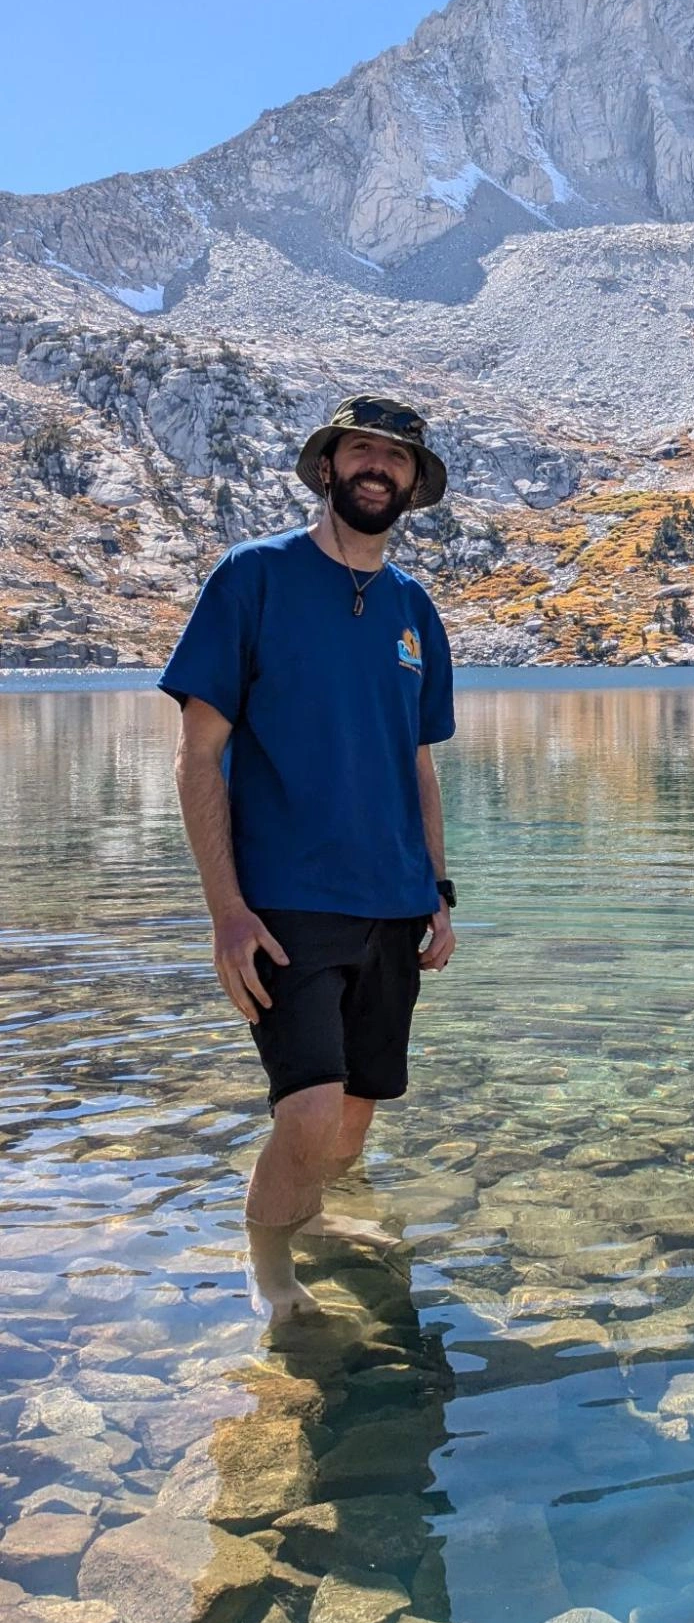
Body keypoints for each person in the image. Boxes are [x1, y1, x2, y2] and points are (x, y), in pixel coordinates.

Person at [159, 394, 459, 1319]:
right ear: (327, 467)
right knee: (309, 1113)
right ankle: (269, 1269)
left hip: (395, 902)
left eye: (396, 457)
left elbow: (418, 766)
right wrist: (226, 912)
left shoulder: (415, 610)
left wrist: (439, 891)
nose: (378, 466)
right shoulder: (252, 578)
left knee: (360, 1110)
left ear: (412, 484)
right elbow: (198, 755)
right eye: (360, 450)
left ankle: (320, 1220)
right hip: (286, 901)